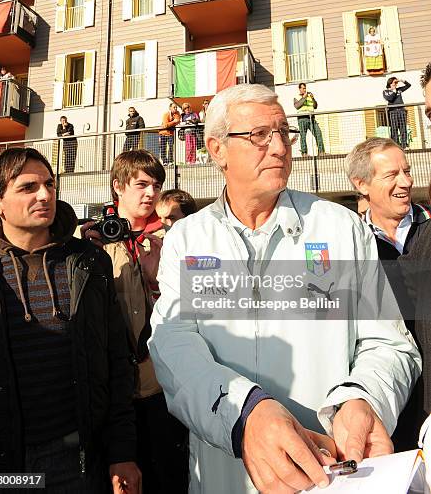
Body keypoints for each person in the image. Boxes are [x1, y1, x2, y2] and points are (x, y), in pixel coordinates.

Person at [149, 83, 420, 494]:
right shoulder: (188, 239)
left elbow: (389, 345)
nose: (279, 148)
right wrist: (244, 414)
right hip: (226, 478)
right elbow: (173, 346)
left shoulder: (340, 229)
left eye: (284, 133)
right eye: (259, 135)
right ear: (216, 149)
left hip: (333, 475)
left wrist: (363, 399)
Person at [0, 147, 140, 493]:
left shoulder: (88, 262)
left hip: (80, 462)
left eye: (50, 184)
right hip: (3, 464)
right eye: (28, 187)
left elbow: (116, 360)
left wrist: (122, 451)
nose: (45, 194)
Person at [84, 150, 188, 494]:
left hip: (160, 386)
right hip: (112, 390)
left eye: (156, 185)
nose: (150, 193)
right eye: (141, 184)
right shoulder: (89, 242)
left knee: (167, 479)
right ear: (118, 186)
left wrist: (157, 280)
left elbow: (193, 310)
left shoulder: (171, 241)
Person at [345, 136, 431, 450]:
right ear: (361, 183)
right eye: (391, 175)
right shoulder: (350, 247)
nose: (406, 182)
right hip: (382, 418)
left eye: (407, 171)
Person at [293, 82, 325, 157]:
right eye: (303, 88)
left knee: (318, 133)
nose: (304, 90)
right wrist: (304, 97)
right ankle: (304, 153)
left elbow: (315, 106)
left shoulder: (309, 96)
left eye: (305, 88)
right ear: (299, 89)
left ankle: (321, 152)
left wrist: (313, 98)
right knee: (303, 136)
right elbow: (297, 106)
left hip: (311, 118)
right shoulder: (296, 97)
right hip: (302, 118)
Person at [383, 76, 411, 149]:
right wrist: (394, 91)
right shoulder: (386, 91)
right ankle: (395, 145)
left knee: (403, 128)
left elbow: (408, 85)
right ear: (390, 83)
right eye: (394, 83)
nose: (395, 84)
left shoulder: (399, 90)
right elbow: (390, 98)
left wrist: (402, 80)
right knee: (394, 128)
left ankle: (404, 145)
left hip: (401, 111)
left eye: (396, 83)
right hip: (393, 112)